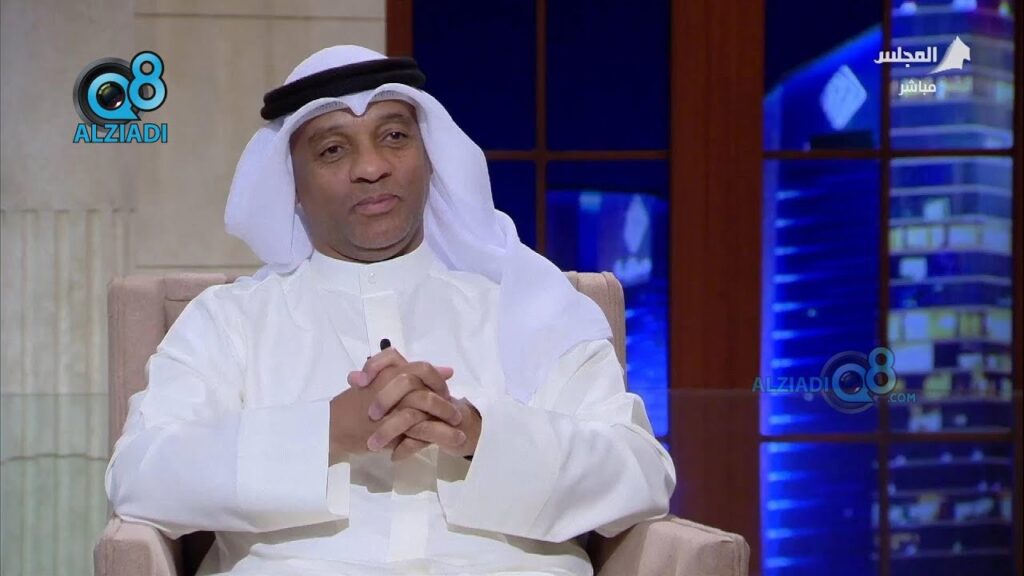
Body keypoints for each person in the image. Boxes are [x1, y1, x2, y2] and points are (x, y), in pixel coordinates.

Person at [105, 45, 676, 576]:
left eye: (395, 136)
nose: (372, 166)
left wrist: (478, 434)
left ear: (430, 159)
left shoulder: (529, 308)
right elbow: (140, 476)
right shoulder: (231, 322)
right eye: (333, 149)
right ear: (291, 185)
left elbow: (641, 473)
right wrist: (327, 430)